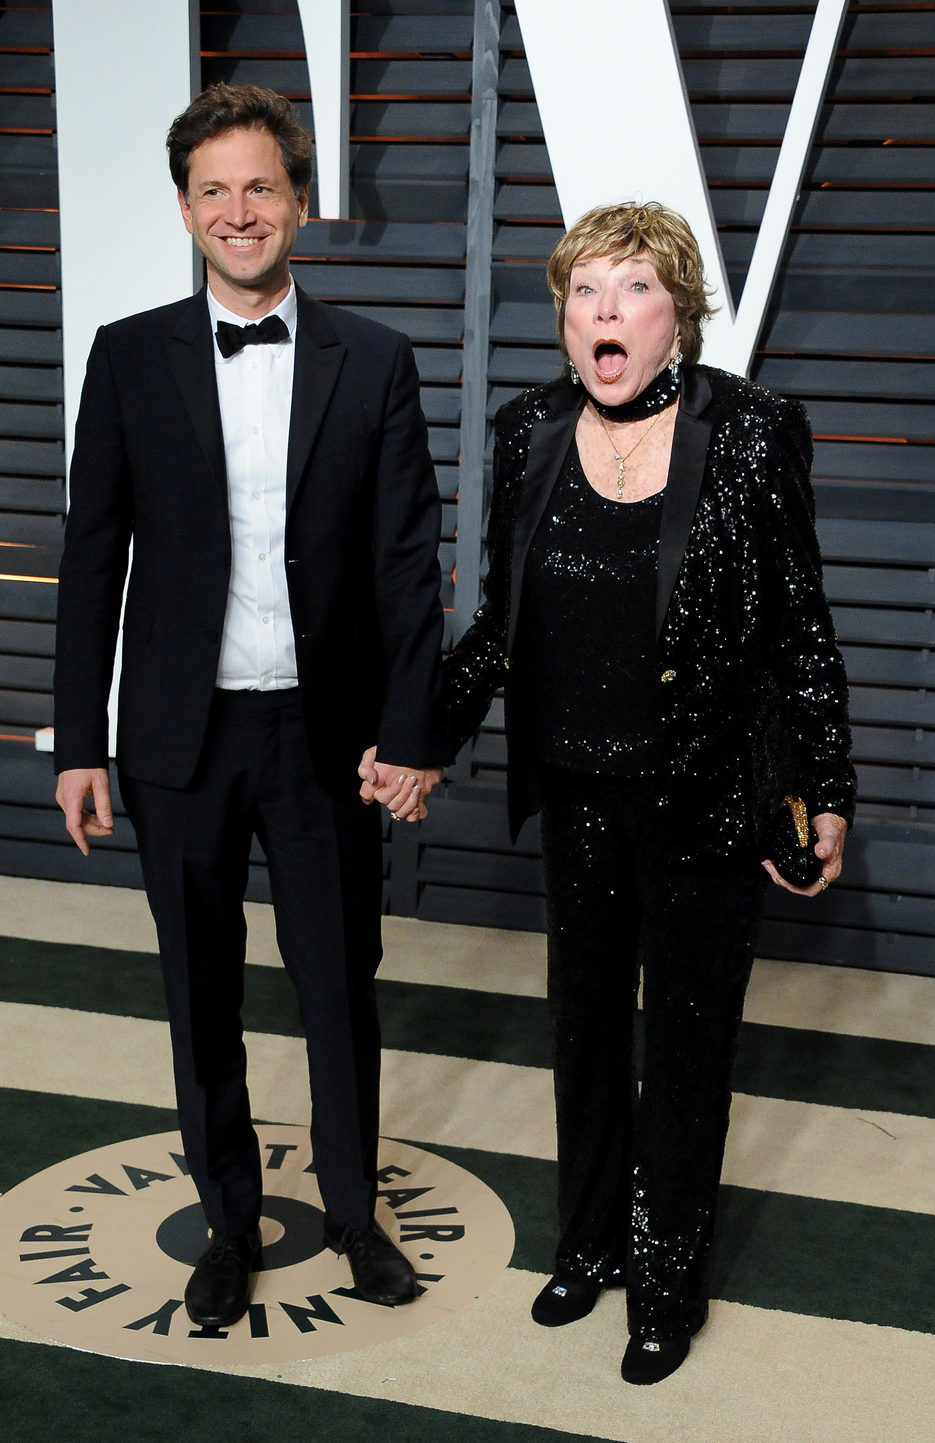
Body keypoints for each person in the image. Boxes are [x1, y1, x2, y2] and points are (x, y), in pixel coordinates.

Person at [430, 202, 854, 1384]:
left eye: (632, 291)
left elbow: (800, 633)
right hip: (576, 793)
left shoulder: (758, 432)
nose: (605, 315)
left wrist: (826, 785)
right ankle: (590, 1245)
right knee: (582, 1031)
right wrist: (422, 738)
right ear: (564, 318)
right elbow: (498, 630)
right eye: (584, 293)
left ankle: (666, 1282)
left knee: (684, 1046)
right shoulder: (529, 432)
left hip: (709, 796)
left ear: (680, 314)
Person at [53, 83, 446, 1330]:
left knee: (339, 985)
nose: (239, 211)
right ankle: (228, 1222)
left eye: (260, 186)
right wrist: (81, 740)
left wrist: (412, 727)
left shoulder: (375, 359)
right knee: (200, 989)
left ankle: (349, 1214)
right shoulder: (125, 355)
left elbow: (404, 563)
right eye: (213, 190)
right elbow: (90, 557)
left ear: (301, 203)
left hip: (324, 737)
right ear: (185, 208)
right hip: (180, 736)